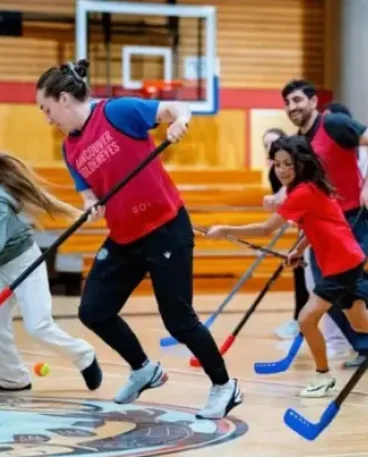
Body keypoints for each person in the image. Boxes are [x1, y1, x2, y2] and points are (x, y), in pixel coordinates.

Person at [34, 59, 242, 420]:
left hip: (166, 228)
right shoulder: (70, 148)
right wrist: (91, 204)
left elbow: (176, 108)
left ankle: (225, 386)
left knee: (179, 321)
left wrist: (180, 122)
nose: (47, 118)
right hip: (124, 237)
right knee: (93, 311)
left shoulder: (118, 112)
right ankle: (144, 369)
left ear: (64, 99)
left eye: (46, 109)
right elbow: (88, 193)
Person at [205, 135, 368, 397]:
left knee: (306, 319)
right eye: (277, 164)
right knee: (361, 322)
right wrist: (298, 250)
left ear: (301, 163)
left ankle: (323, 376)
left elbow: (266, 229)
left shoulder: (303, 192)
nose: (282, 170)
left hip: (341, 263)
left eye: (288, 163)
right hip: (344, 260)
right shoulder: (305, 189)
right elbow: (316, 225)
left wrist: (225, 230)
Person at [276, 80, 368, 369]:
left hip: (353, 220)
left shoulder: (334, 124)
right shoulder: (299, 144)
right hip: (324, 229)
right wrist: (300, 246)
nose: (292, 107)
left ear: (313, 101)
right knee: (326, 291)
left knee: (337, 286)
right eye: (287, 102)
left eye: (297, 100)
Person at [0, 142, 102, 393]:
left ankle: (84, 355)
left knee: (38, 326)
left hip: (25, 262)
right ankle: (12, 379)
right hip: (1, 268)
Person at [262, 127, 311, 340]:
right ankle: (300, 320)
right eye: (266, 145)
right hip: (303, 225)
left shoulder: (299, 169)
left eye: (274, 143)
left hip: (316, 225)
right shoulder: (273, 172)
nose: (270, 148)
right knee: (301, 270)